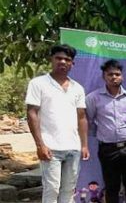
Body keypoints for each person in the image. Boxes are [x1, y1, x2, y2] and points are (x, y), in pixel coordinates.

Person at [26, 44, 89, 203]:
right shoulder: (38, 83)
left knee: (69, 189)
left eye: (67, 59)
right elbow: (32, 113)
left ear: (72, 63)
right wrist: (40, 145)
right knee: (52, 189)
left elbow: (81, 117)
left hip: (73, 148)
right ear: (51, 60)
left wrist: (84, 145)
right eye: (58, 58)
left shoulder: (77, 88)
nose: (62, 62)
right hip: (50, 147)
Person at [85, 60, 126, 203]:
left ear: (122, 76)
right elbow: (89, 122)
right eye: (110, 74)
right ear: (104, 76)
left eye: (117, 74)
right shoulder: (93, 98)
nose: (114, 77)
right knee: (111, 187)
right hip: (108, 149)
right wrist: (104, 134)